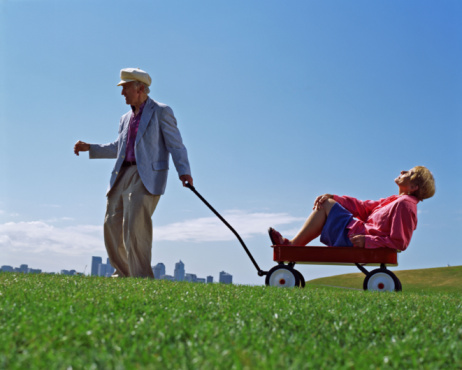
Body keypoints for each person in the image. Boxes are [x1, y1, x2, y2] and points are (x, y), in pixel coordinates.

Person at [74, 68, 193, 278]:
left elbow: (176, 145)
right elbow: (118, 148)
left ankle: (141, 278)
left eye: (125, 88)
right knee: (111, 223)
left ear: (140, 88)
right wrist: (90, 148)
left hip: (146, 176)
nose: (122, 93)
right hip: (122, 174)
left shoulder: (161, 111)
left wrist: (184, 171)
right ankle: (123, 274)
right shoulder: (125, 119)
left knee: (134, 226)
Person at [268, 166, 435, 251]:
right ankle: (292, 245)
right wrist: (335, 197)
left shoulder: (405, 205)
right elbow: (363, 208)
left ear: (413, 186)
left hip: (356, 238)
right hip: (356, 234)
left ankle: (292, 247)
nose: (402, 170)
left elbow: (400, 242)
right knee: (328, 202)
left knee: (326, 205)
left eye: (409, 172)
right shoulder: (394, 201)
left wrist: (368, 241)